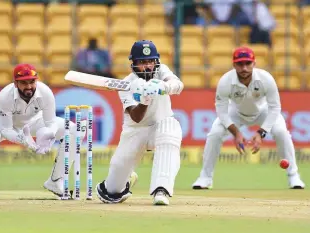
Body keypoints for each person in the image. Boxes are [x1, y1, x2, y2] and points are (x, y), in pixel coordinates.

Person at [0, 63, 86, 199]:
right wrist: (25, 141)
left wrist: (49, 133)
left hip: (33, 121)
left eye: (32, 82)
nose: (29, 86)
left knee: (73, 129)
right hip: (5, 123)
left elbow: (51, 122)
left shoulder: (45, 92)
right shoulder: (5, 96)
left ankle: (55, 181)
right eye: (24, 83)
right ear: (15, 83)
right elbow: (6, 129)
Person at [192, 47, 305, 190]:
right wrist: (236, 133)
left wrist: (261, 133)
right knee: (215, 134)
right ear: (234, 65)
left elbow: (275, 108)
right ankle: (205, 178)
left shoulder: (266, 79)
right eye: (240, 64)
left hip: (262, 111)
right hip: (236, 112)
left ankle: (293, 176)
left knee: (281, 132)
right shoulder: (226, 81)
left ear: (254, 64)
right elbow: (221, 111)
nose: (244, 68)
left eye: (248, 63)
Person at [95, 40, 184, 206]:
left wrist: (163, 86)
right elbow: (136, 117)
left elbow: (178, 85)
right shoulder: (126, 85)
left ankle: (161, 189)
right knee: (112, 191)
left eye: (151, 61)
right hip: (135, 132)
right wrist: (145, 99)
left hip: (161, 126)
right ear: (134, 64)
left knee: (171, 127)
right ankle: (127, 179)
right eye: (142, 62)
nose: (148, 66)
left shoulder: (161, 71)